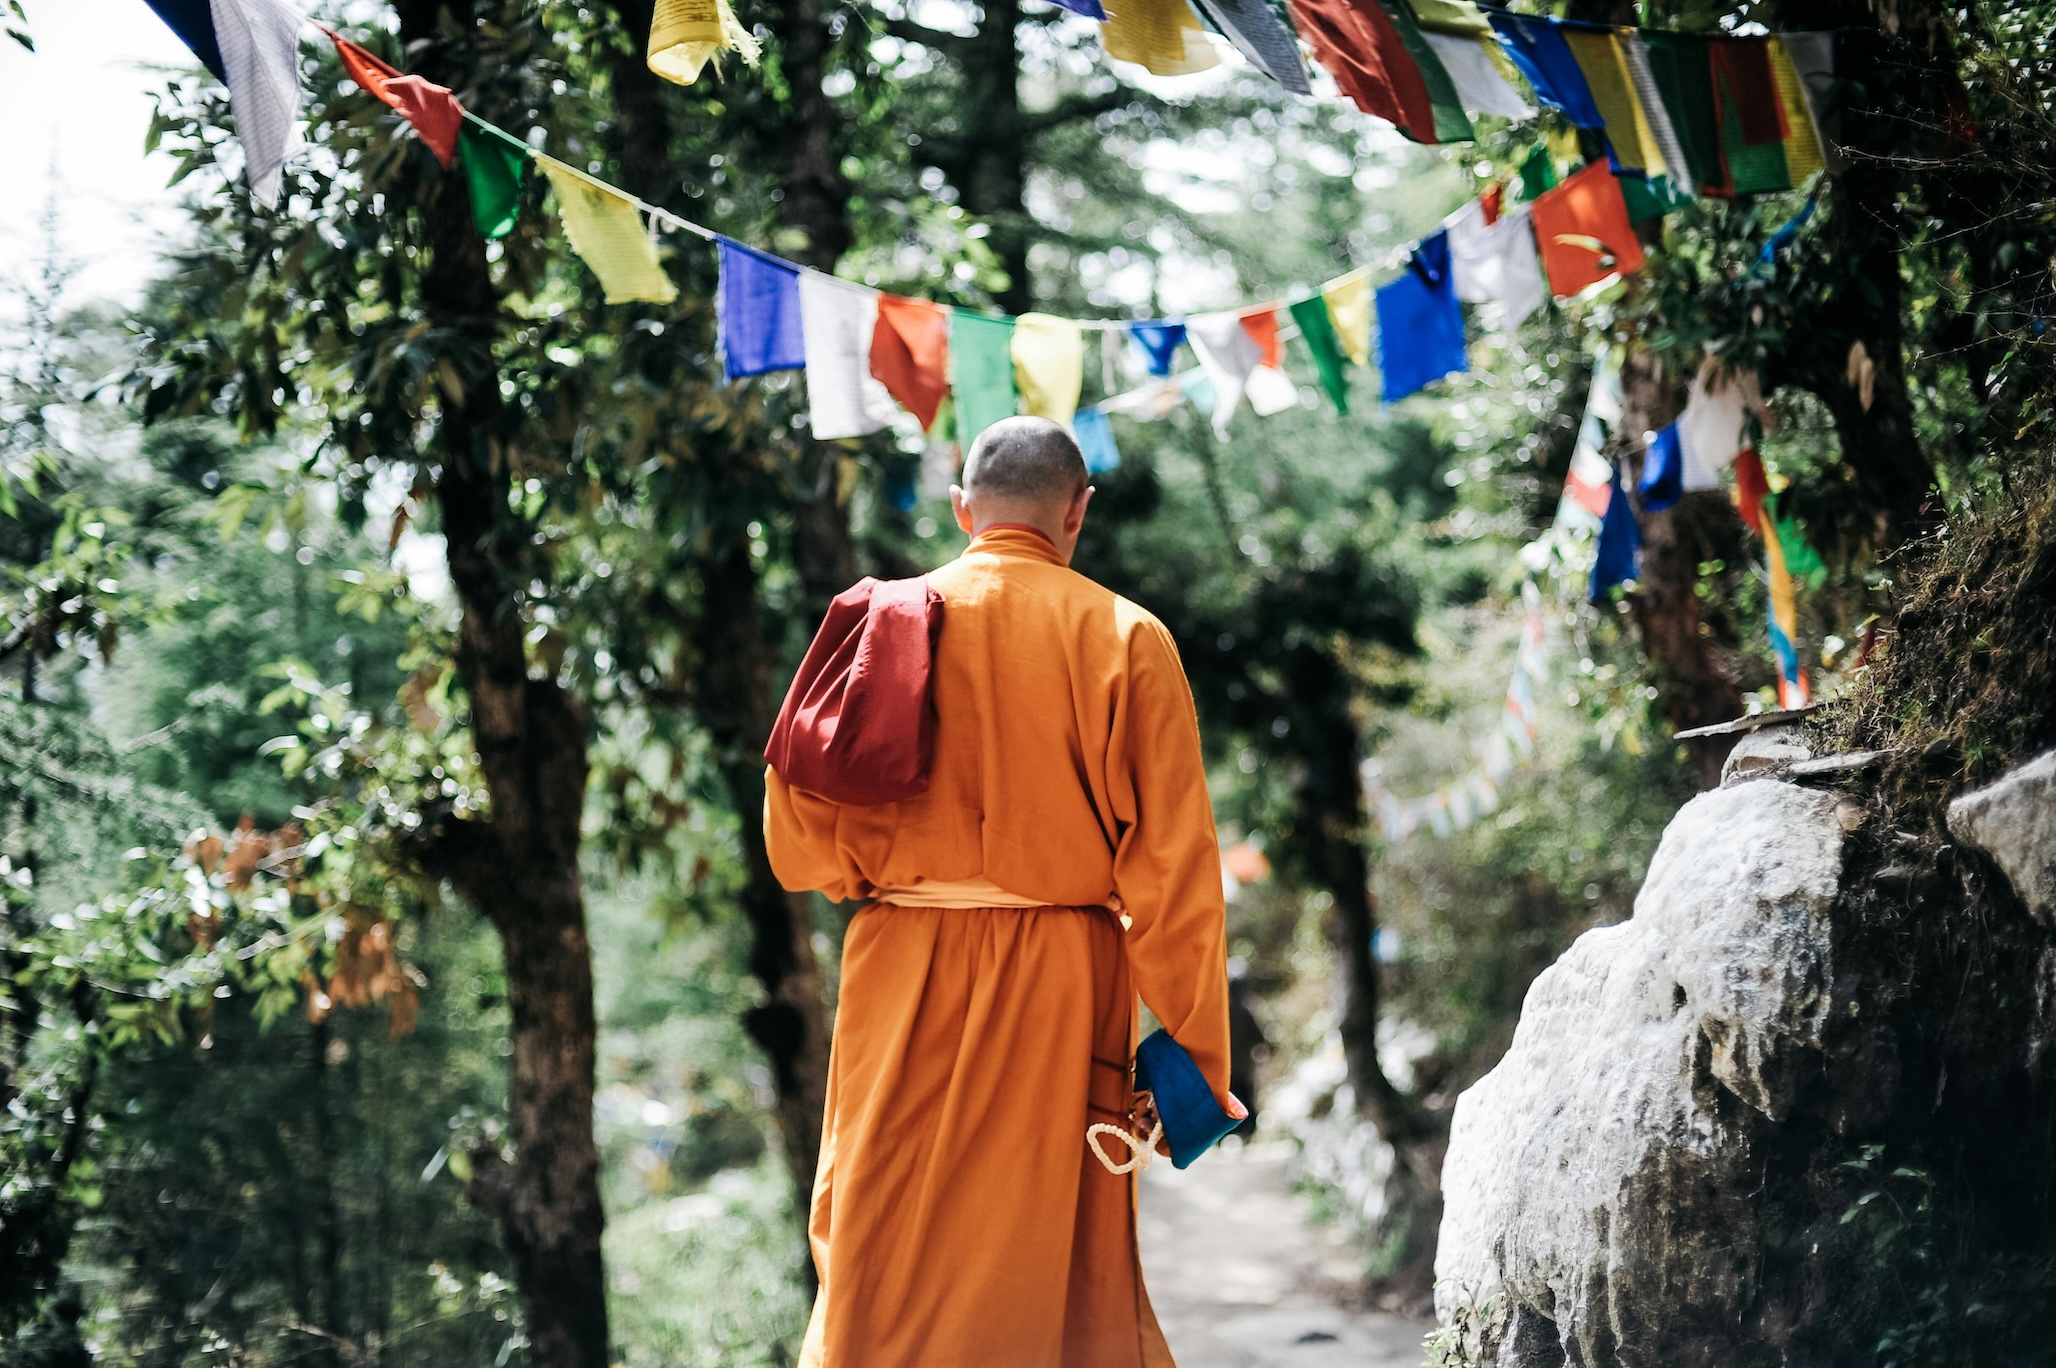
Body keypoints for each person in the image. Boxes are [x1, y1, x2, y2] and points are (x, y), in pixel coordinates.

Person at [766, 416, 1238, 1368]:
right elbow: (1176, 875)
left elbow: (797, 846)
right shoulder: (1125, 636)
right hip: (1060, 982)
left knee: (881, 1236)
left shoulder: (874, 627)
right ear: (1078, 514)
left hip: (900, 968)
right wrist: (1194, 1067)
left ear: (961, 509)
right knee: (1049, 1259)